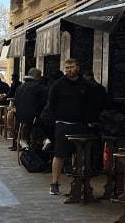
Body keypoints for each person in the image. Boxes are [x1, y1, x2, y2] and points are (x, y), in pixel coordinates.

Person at [40, 58, 107, 196]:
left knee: (80, 155)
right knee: (59, 155)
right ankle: (54, 183)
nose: (70, 70)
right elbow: (51, 104)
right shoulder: (58, 85)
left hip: (80, 125)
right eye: (67, 68)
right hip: (63, 124)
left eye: (72, 67)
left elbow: (94, 100)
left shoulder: (85, 85)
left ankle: (79, 183)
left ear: (77, 68)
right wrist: (56, 121)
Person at [11, 68, 48, 152]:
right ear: (36, 76)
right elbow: (43, 104)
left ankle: (25, 143)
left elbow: (16, 102)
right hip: (33, 119)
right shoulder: (40, 88)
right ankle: (43, 142)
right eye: (40, 76)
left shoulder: (19, 87)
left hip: (20, 119)